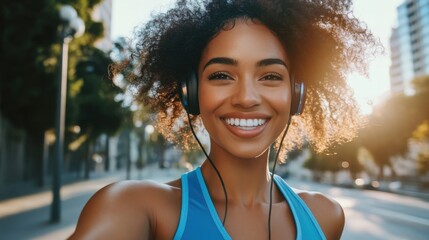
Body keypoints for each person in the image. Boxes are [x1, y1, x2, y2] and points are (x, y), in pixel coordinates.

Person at [69, 0, 377, 239]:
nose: (246, 97)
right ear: (191, 93)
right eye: (221, 75)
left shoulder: (325, 217)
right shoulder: (139, 208)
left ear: (296, 94)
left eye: (270, 76)